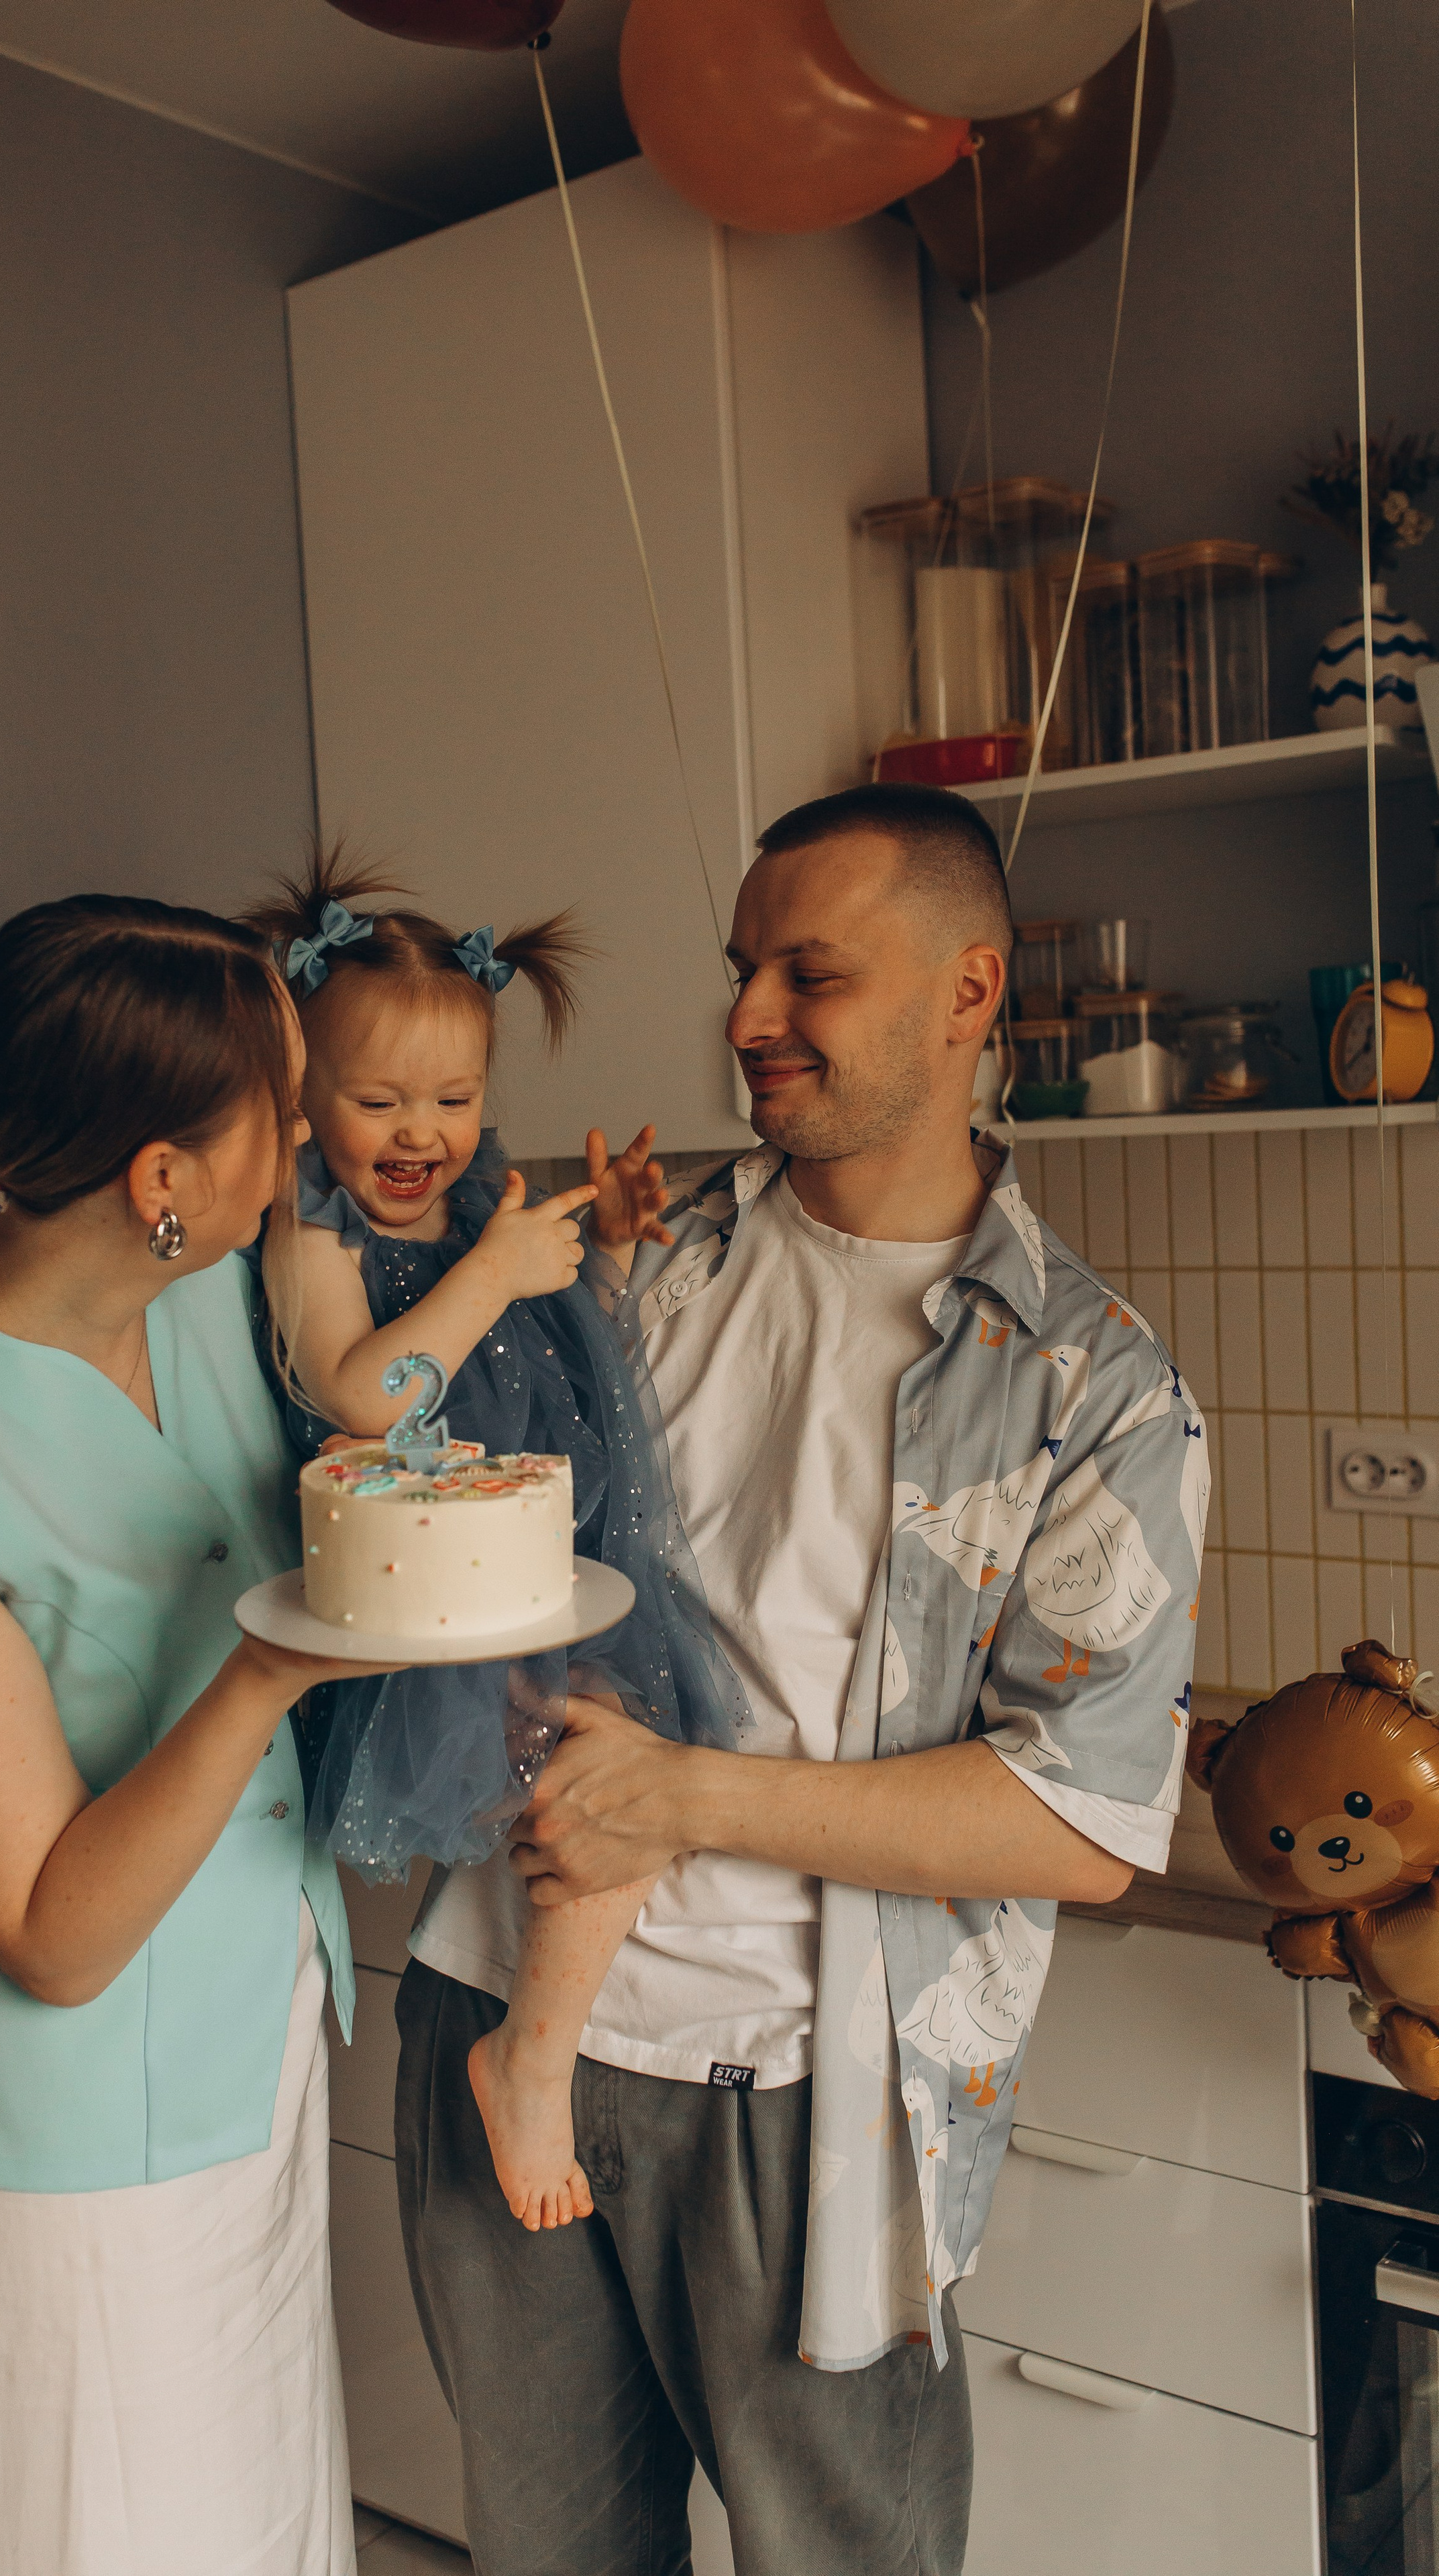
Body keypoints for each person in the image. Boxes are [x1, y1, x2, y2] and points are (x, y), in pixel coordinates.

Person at [394, 784, 1210, 2576]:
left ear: (968, 991)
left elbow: (1078, 1825)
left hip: (803, 2097)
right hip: (497, 2009)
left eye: (809, 975)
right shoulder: (636, 1262)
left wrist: (681, 1800)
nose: (748, 1017)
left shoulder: (1089, 1388)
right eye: (744, 969)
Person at [0, 895, 405, 2576]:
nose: (307, 1135)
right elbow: (50, 1935)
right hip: (69, 2165)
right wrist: (264, 1667)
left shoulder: (203, 1304)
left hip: (249, 2066)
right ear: (163, 1174)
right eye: (284, 1102)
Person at [245, 852, 746, 2232]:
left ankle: (530, 2051)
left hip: (536, 1572)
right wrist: (489, 1269)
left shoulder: (477, 1209)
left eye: (455, 1101)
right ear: (302, 1096)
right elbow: (364, 1393)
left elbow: (547, 1348)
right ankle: (529, 2062)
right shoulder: (310, 1222)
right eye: (378, 1101)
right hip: (423, 1598)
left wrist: (610, 1250)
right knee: (610, 1795)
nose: (423, 1133)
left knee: (619, 1793)